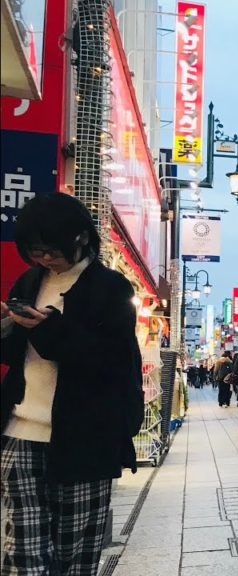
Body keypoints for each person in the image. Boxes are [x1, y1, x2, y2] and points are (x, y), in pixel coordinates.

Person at [0, 192, 144, 576]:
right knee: (23, 557)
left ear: (80, 237)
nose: (42, 259)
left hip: (85, 441)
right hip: (22, 431)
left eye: (50, 250)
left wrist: (51, 330)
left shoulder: (110, 288)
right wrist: (7, 328)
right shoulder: (29, 281)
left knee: (74, 556)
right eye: (34, 250)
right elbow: (16, 356)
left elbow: (111, 362)